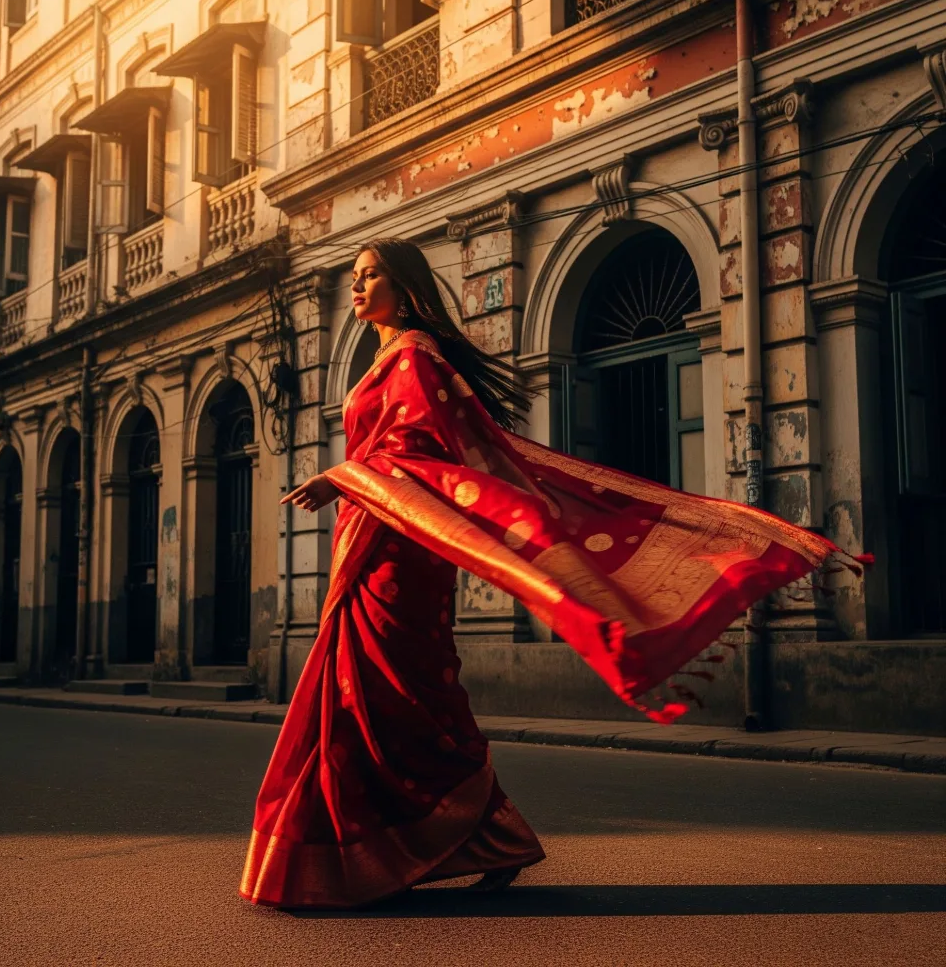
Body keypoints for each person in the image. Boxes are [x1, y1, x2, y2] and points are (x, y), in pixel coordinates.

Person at [240, 238, 854, 910]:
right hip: (373, 540)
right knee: (364, 699)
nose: (356, 288)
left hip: (402, 557)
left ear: (405, 285)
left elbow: (421, 457)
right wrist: (351, 482)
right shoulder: (386, 358)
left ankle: (455, 839)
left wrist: (342, 476)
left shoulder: (416, 357)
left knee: (399, 698)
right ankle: (429, 844)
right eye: (353, 278)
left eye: (369, 276)